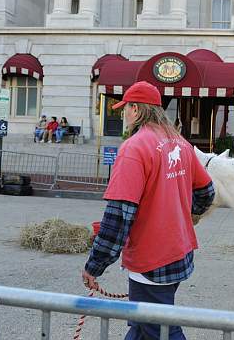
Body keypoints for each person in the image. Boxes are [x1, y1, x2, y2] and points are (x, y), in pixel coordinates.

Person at [81, 81, 215, 340]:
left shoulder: (134, 148)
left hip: (152, 258)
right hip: (179, 251)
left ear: (137, 109)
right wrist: (185, 215)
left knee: (160, 329)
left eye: (126, 108)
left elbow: (119, 216)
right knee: (142, 325)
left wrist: (94, 266)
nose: (124, 114)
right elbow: (207, 192)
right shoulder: (180, 143)